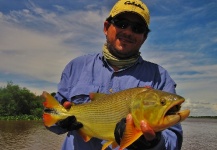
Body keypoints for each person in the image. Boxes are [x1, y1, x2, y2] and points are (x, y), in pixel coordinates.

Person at [46, 0, 183, 149]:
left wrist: (154, 143)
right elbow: (50, 118)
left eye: (137, 28)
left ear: (144, 37)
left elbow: (173, 141)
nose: (128, 32)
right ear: (106, 27)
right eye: (122, 23)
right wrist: (60, 122)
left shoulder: (160, 76)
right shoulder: (76, 66)